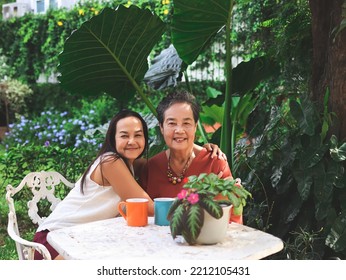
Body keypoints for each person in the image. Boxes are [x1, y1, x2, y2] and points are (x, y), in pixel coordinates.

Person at [33, 110, 154, 260]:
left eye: (138, 135)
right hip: (55, 243)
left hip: (82, 240)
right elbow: (147, 207)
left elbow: (159, 163)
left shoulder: (129, 163)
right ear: (112, 139)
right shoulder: (110, 163)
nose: (132, 141)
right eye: (124, 135)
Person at [138, 90, 242, 224]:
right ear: (161, 127)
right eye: (171, 123)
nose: (179, 130)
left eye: (186, 123)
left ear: (195, 126)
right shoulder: (151, 167)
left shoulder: (214, 162)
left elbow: (233, 216)